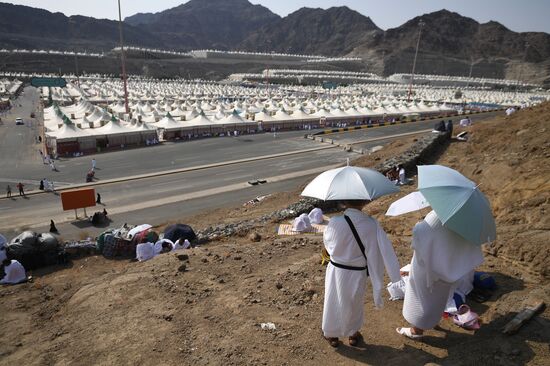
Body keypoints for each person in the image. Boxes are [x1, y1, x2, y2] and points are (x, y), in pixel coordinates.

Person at [322, 200, 401, 348]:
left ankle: (331, 334)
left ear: (344, 201)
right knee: (354, 302)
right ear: (364, 202)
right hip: (357, 271)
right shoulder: (371, 224)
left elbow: (328, 244)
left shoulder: (334, 221)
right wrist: (394, 276)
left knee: (332, 300)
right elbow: (384, 249)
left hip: (336, 269)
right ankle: (352, 334)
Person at [396, 210, 483, 339]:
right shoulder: (467, 219)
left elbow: (420, 237)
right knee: (440, 297)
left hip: (428, 269)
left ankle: (416, 330)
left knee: (422, 298)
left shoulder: (438, 215)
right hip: (449, 267)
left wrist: (419, 225)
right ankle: (433, 321)